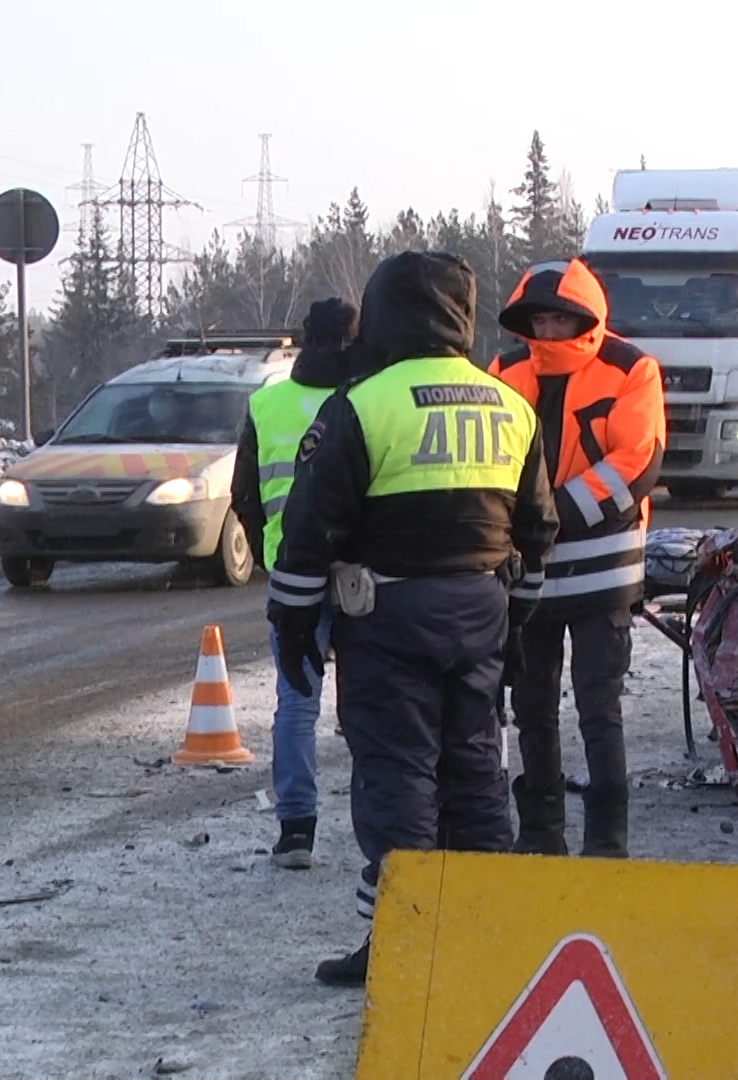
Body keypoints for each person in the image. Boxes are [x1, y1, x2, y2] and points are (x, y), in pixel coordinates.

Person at [269, 252, 558, 985]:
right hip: (483, 608)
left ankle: (402, 944)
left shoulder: (365, 404)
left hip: (391, 615)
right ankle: (492, 936)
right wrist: (518, 621)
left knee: (399, 774)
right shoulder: (509, 403)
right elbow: (538, 527)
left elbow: (312, 527)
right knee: (474, 768)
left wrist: (295, 620)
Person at [489, 258, 666, 860]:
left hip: (603, 568)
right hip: (529, 567)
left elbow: (638, 460)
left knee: (598, 706)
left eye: (559, 317)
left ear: (584, 318)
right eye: (537, 318)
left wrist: (550, 510)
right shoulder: (505, 370)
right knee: (531, 705)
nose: (547, 328)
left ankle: (606, 841)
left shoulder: (631, 369)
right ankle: (540, 833)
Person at [229, 298, 357, 870]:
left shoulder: (267, 404)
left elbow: (246, 496)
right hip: (360, 573)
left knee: (297, 704)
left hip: (290, 574)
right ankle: (382, 827)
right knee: (370, 704)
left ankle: (296, 832)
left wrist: (268, 559)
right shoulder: (366, 398)